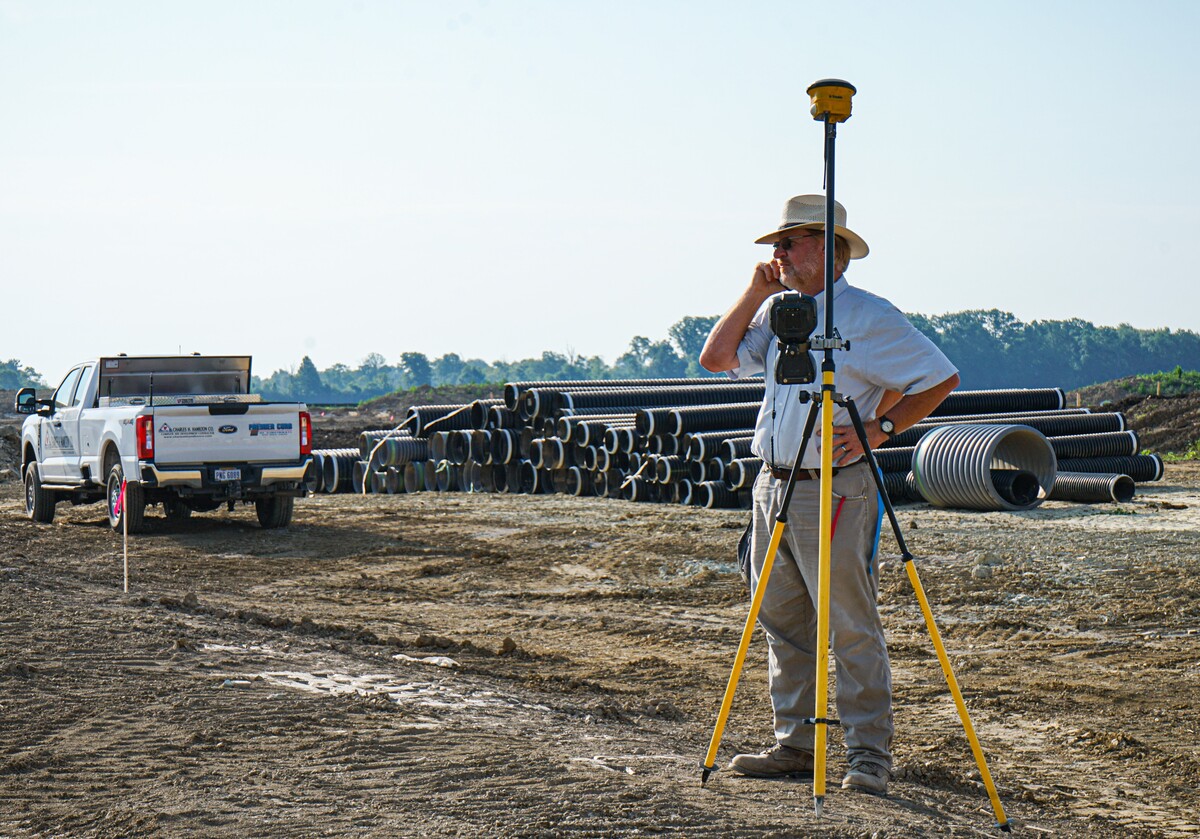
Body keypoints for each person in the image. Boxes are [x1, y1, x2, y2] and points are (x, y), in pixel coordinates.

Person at [698, 194, 960, 795]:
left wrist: (881, 429)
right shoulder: (775, 313)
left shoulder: (869, 317)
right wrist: (754, 293)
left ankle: (868, 755)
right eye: (776, 245)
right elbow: (717, 358)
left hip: (837, 488)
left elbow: (939, 378)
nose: (777, 252)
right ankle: (796, 744)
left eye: (789, 243)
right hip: (775, 481)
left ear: (828, 249)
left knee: (849, 622)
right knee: (783, 619)